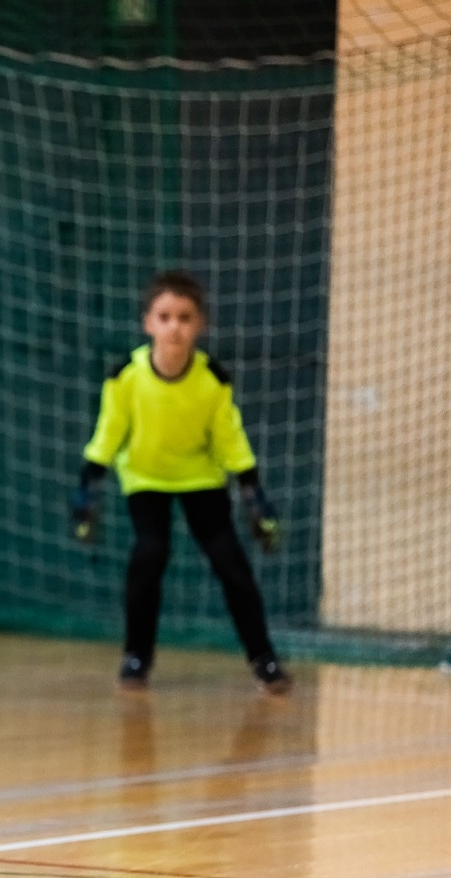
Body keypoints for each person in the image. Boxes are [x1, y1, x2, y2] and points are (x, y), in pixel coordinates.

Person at [71, 270, 292, 695]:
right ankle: (137, 657)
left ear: (200, 325)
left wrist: (252, 492)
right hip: (145, 476)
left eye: (185, 317)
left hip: (199, 476)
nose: (175, 326)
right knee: (150, 553)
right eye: (165, 316)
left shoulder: (212, 380)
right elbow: (109, 432)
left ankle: (264, 659)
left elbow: (230, 437)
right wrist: (89, 485)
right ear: (148, 323)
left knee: (231, 562)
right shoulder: (126, 376)